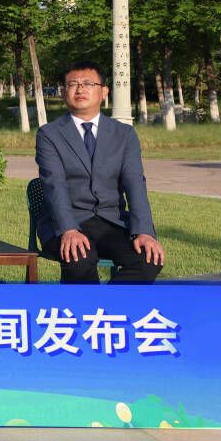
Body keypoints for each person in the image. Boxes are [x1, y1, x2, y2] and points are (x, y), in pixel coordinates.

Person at [35, 60, 164, 283]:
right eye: (72, 84)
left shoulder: (124, 135)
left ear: (104, 92)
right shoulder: (49, 134)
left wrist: (144, 232)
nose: (80, 89)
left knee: (148, 259)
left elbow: (135, 184)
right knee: (79, 259)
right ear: (64, 93)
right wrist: (68, 230)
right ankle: (92, 305)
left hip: (112, 222)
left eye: (88, 84)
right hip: (67, 222)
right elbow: (54, 185)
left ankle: (106, 304)